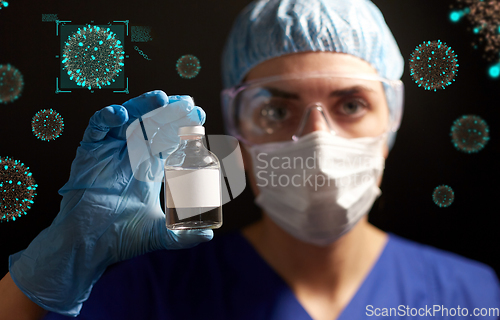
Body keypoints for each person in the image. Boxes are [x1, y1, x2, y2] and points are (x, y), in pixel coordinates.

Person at [1, 0, 499, 319]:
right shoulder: (148, 295)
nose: (318, 143)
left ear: (391, 118)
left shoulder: (470, 295)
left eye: (351, 104)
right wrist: (46, 277)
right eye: (278, 109)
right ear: (235, 129)